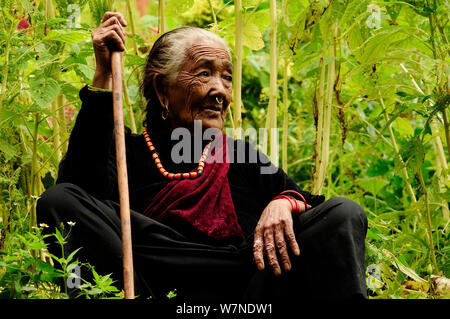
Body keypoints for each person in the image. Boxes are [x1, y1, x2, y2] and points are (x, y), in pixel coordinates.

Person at [37, 12, 368, 301]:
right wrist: (103, 76)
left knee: (343, 214)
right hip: (149, 282)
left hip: (245, 291)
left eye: (226, 77)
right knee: (59, 199)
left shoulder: (239, 154)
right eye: (205, 73)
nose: (221, 91)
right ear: (162, 90)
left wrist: (283, 202)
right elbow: (73, 196)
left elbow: (311, 203)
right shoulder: (127, 152)